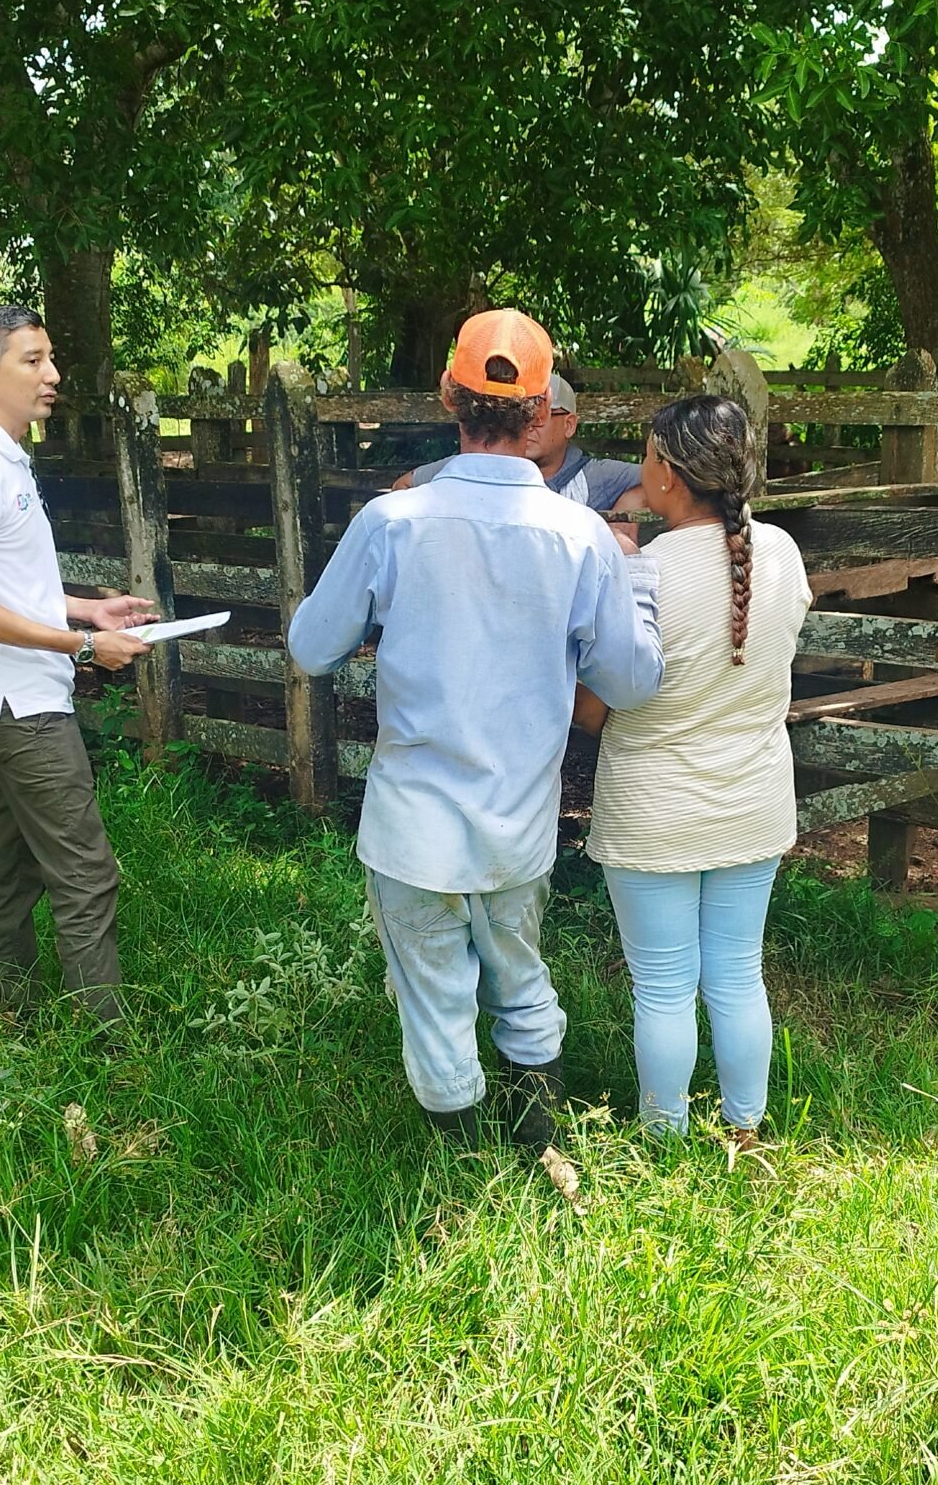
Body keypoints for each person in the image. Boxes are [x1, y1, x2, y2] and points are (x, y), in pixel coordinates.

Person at [287, 308, 664, 1149]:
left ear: (447, 398)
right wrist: (633, 577)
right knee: (519, 974)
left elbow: (312, 648)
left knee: (430, 988)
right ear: (541, 416)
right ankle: (537, 1136)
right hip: (519, 818)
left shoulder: (390, 524)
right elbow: (631, 683)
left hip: (412, 819)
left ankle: (459, 1161)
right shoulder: (582, 537)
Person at [576, 395, 811, 1144]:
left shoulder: (637, 570)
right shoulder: (781, 553)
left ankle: (664, 1137)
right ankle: (745, 1128)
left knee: (664, 987)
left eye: (646, 454)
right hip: (753, 798)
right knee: (738, 974)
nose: (638, 467)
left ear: (669, 475)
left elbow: (593, 711)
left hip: (654, 810)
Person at [0, 304, 158, 1025]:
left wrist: (85, 611)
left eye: (50, 358)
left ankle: (7, 1011)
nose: (52, 375)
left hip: (6, 697)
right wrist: (84, 648)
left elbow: (8, 589)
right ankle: (105, 1047)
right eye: (32, 361)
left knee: (13, 864)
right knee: (85, 873)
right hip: (17, 704)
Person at [394, 371, 644, 522]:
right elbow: (403, 485)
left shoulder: (594, 477)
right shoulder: (472, 468)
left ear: (568, 425)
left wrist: (624, 515)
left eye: (541, 415)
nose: (530, 424)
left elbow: (663, 481)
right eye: (522, 413)